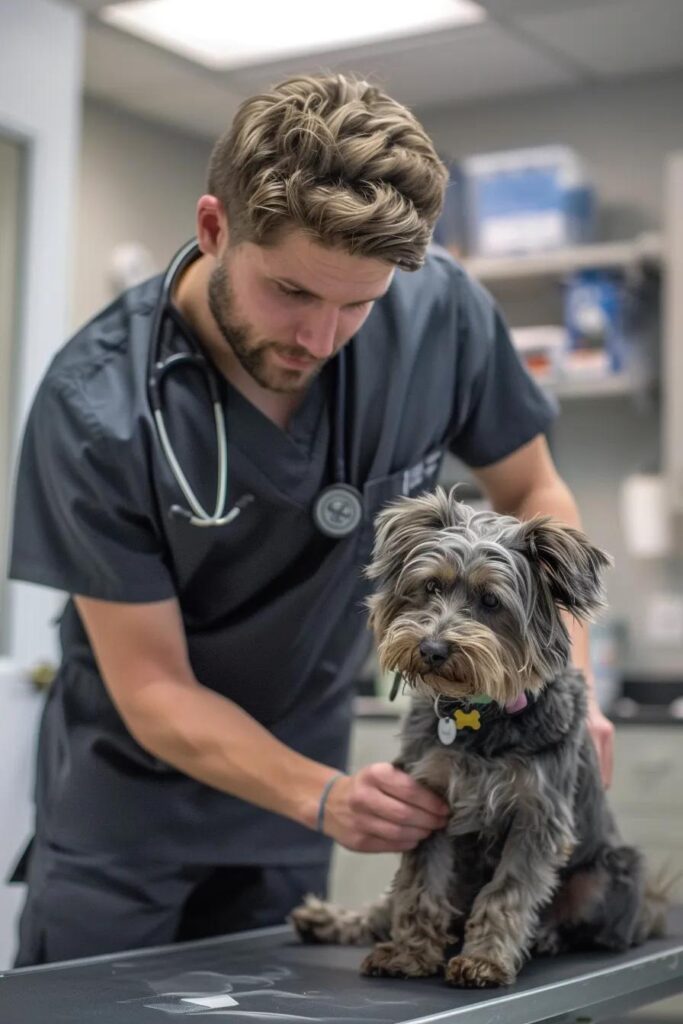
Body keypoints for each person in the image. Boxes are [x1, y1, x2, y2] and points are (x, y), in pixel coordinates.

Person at [8, 72, 614, 968]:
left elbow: (534, 494)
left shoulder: (439, 315)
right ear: (215, 229)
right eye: (291, 291)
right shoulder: (95, 406)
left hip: (302, 794)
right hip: (128, 817)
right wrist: (323, 797)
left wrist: (572, 686)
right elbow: (154, 690)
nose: (321, 337)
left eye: (358, 304)